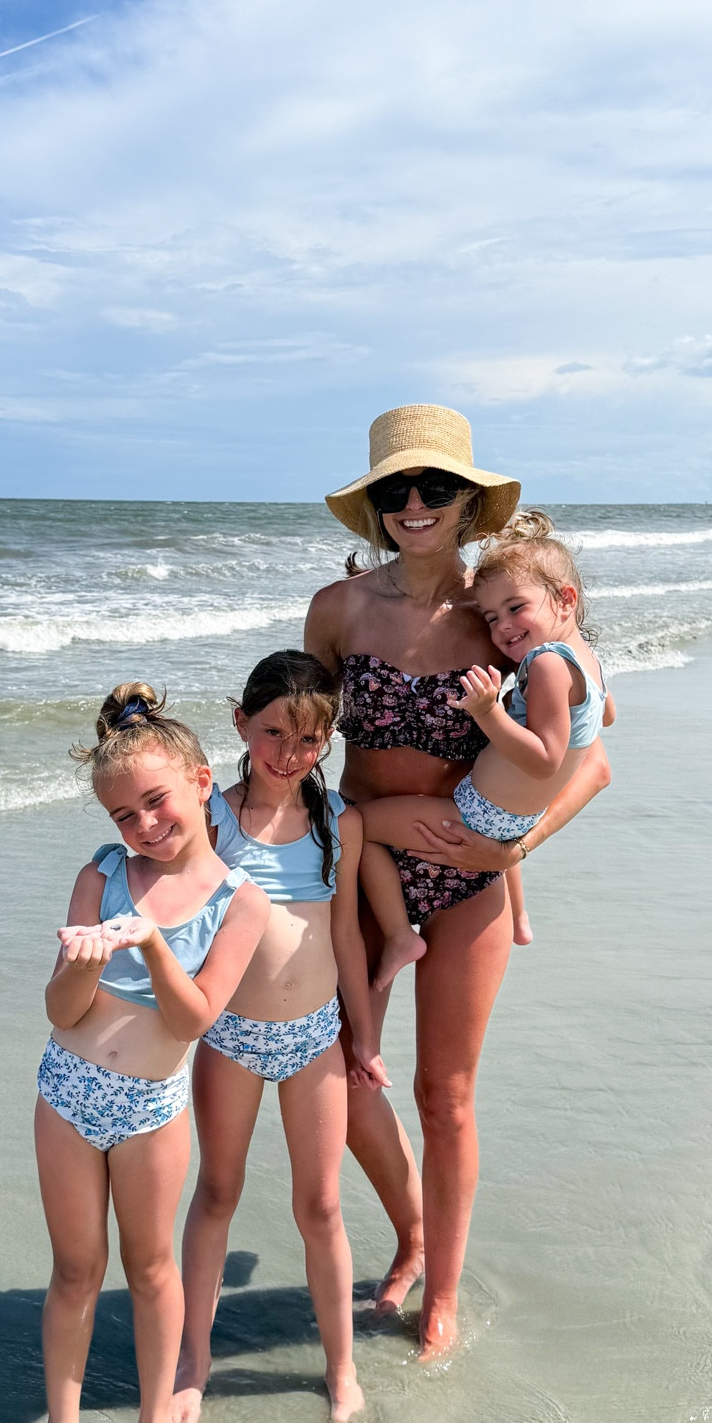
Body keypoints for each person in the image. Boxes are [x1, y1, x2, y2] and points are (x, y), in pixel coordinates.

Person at [304, 405, 612, 1359]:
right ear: (374, 508)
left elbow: (589, 760)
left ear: (467, 501)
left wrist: (517, 849)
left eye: (434, 486)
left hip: (468, 876)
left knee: (447, 1094)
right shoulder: (338, 608)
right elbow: (300, 743)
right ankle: (412, 1231)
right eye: (394, 490)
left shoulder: (504, 612)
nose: (414, 504)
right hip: (360, 867)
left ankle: (441, 1292)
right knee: (342, 1077)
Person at [19, 684, 270, 1423]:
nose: (144, 825)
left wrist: (154, 944)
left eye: (156, 801)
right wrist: (86, 958)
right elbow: (61, 1011)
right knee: (74, 1270)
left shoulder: (243, 900)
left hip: (152, 1108)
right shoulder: (100, 873)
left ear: (202, 782)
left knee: (151, 1268)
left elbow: (195, 1019)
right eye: (125, 814)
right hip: (68, 1094)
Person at [173, 652, 386, 1423]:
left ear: (326, 740)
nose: (288, 753)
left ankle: (341, 1367)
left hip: (315, 1042)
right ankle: (192, 1362)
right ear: (240, 723)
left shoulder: (340, 822)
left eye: (307, 739)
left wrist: (364, 1038)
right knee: (218, 1193)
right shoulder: (212, 819)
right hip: (229, 1036)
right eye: (272, 733)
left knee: (321, 1205)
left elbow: (347, 940)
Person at [358, 510, 615, 989]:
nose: (503, 628)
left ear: (565, 599)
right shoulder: (587, 661)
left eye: (516, 608)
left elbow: (545, 760)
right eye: (493, 617)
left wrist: (488, 712)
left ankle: (399, 937)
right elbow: (606, 715)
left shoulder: (546, 665)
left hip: (477, 815)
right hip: (515, 819)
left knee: (356, 825)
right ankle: (519, 919)